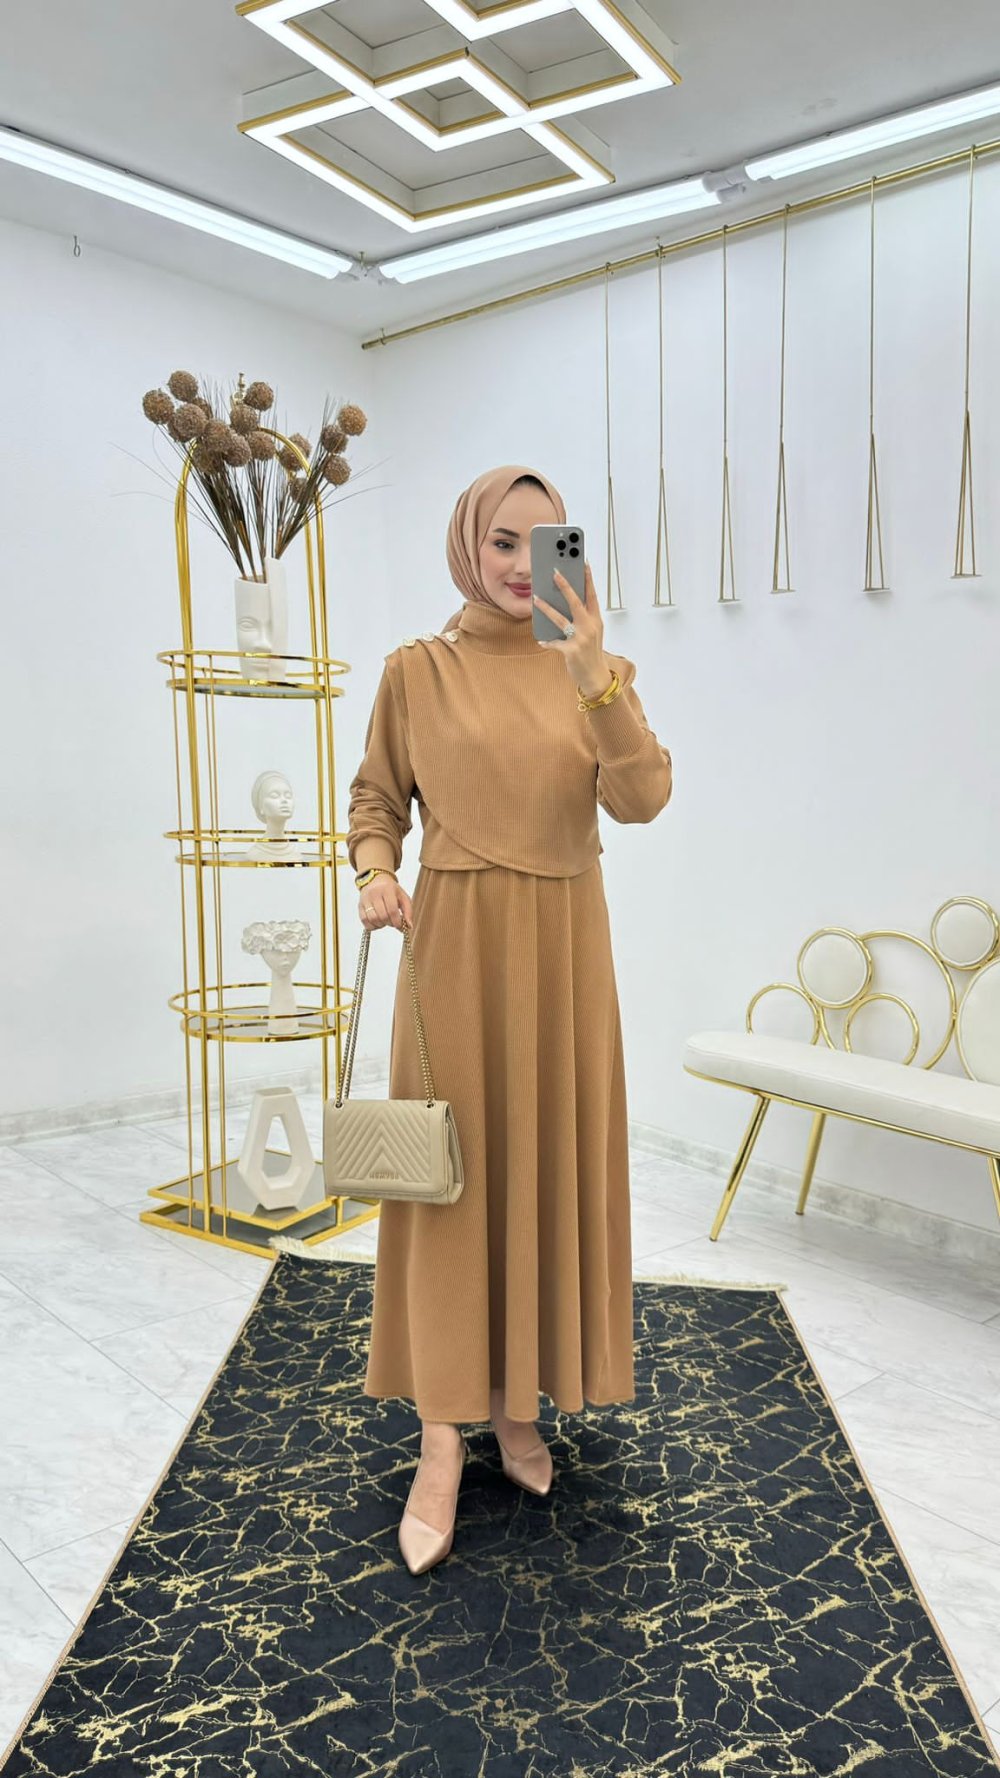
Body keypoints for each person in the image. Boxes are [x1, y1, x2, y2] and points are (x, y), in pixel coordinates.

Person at [346, 464, 673, 1574]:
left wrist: (590, 674)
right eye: (502, 541)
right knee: (453, 1187)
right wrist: (375, 870)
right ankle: (443, 1434)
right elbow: (377, 797)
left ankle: (517, 1403)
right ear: (467, 547)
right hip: (454, 952)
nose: (524, 564)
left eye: (546, 542)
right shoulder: (417, 670)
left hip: (566, 954)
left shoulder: (598, 673)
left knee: (542, 1171)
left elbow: (641, 798)